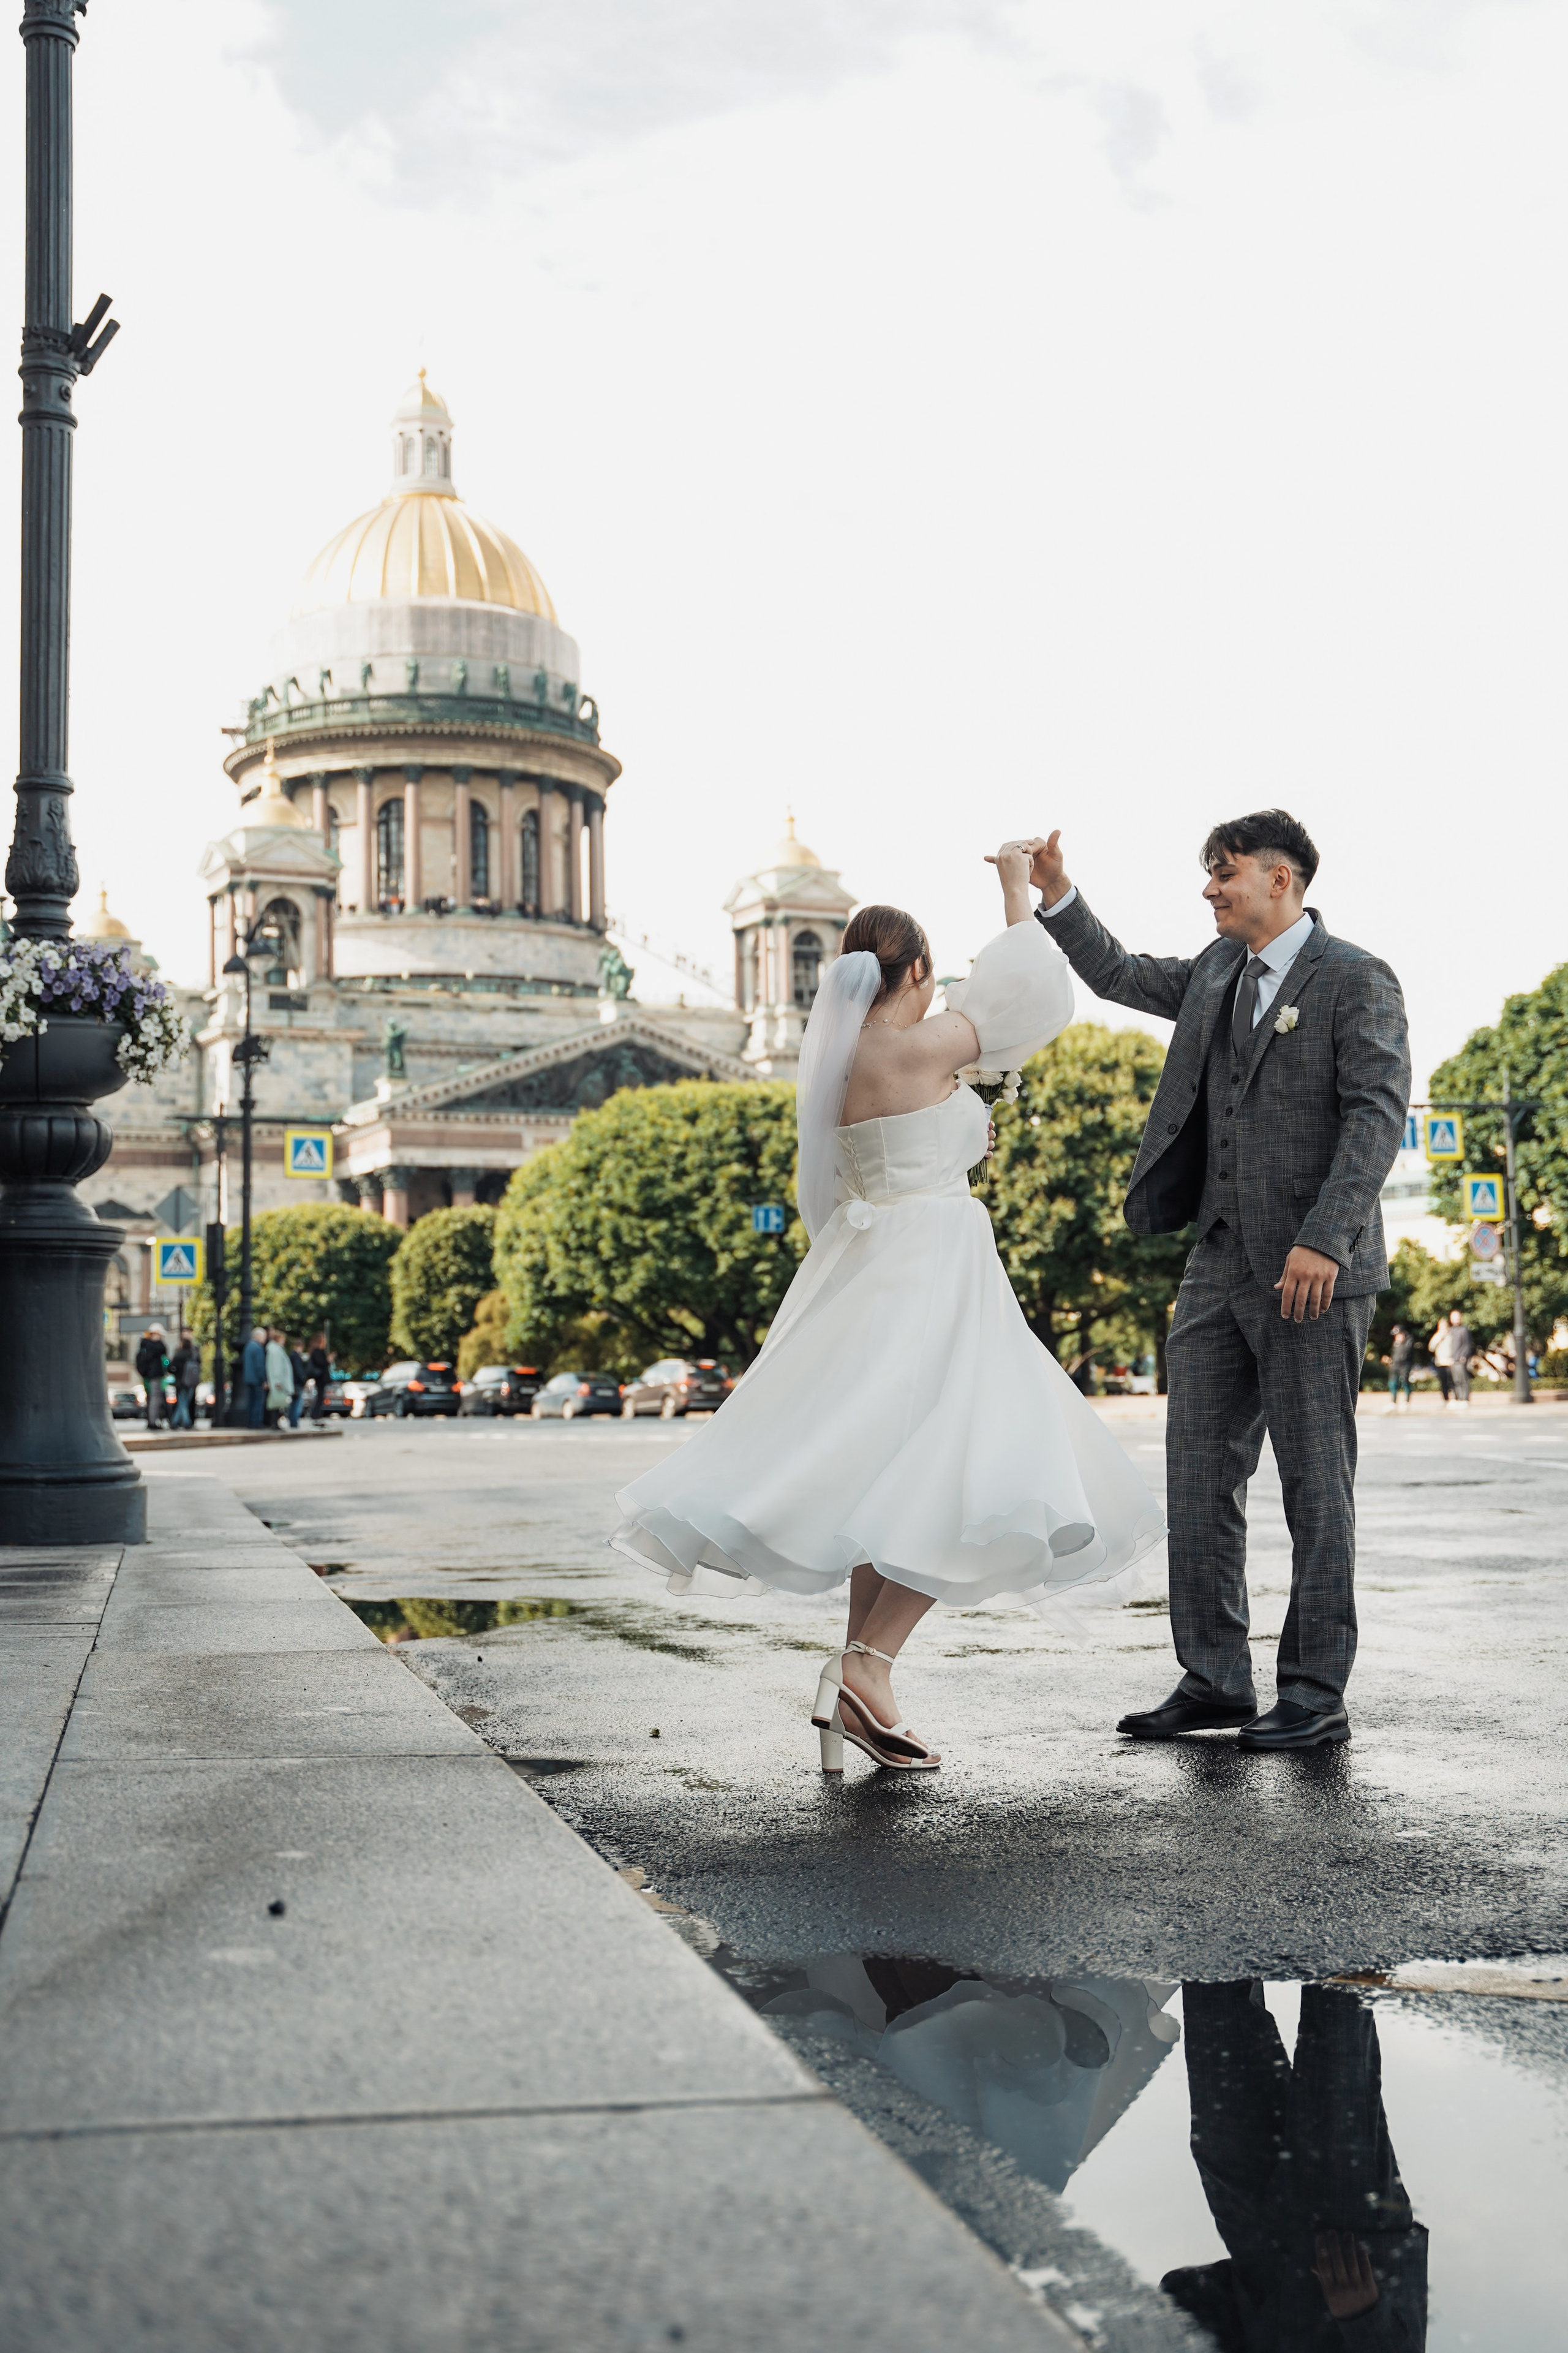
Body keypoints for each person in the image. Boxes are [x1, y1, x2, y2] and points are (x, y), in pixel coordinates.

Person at [612, 840, 1166, 1772]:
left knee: (893, 1474)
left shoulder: (836, 1065)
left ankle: (863, 1677)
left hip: (868, 1262)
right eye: (930, 974)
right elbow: (1030, 991)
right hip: (938, 1263)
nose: (935, 987)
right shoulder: (921, 1042)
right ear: (910, 971)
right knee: (971, 1464)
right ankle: (866, 1665)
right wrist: (1013, 888)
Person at [1030, 810, 1409, 1753]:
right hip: (1217, 1259)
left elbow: (1376, 1113)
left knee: (1316, 1483)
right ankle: (1214, 1679)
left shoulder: (1356, 977)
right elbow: (1118, 972)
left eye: (1224, 873)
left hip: (1312, 1270)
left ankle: (1316, 1693)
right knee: (1199, 1475)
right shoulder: (1213, 973)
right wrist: (1057, 898)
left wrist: (1326, 1237)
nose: (1209, 889)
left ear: (1281, 880)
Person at [1164, 1979, 1428, 2350]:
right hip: (1350, 2246)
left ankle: (1215, 1922)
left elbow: (1185, 2290)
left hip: (1259, 2247)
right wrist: (1364, 2318)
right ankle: (1342, 1925)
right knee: (1337, 2028)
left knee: (1217, 2025)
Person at [1431, 1309, 1472, 1408]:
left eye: (1457, 1317)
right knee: (1456, 1381)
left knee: (1463, 1379)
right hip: (1452, 1359)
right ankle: (1459, 1398)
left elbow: (1467, 1345)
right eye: (1454, 1318)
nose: (1456, 1320)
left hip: (1460, 1359)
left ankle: (1465, 1399)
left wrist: (1464, 1356)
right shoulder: (1451, 1331)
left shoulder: (1464, 1329)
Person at [135, 1326, 169, 1430]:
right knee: (155, 1398)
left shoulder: (145, 1346)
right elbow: (164, 1349)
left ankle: (152, 1420)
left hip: (148, 1376)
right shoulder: (154, 1347)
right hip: (154, 1375)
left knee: (153, 1398)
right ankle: (153, 1421)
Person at [170, 1330, 201, 1429]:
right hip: (192, 1382)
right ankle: (179, 1422)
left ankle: (181, 1422)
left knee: (182, 1402)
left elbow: (171, 1367)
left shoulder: (178, 1354)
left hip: (181, 1381)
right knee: (185, 1402)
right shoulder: (194, 1354)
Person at [263, 1328, 294, 1427]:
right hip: (278, 1381)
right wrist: (277, 1381)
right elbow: (276, 1368)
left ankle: (274, 1423)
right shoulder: (275, 1351)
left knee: (277, 1403)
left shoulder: (275, 1350)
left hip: (277, 1380)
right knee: (276, 1403)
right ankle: (274, 1424)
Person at [1382, 1323, 1415, 1414]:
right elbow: (1395, 1355)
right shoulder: (1395, 1343)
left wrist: (1402, 1342)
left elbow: (1406, 1355)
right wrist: (1390, 1361)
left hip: (1405, 1365)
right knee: (1393, 1383)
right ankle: (1393, 1402)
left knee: (1405, 1382)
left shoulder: (1409, 1341)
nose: (1396, 1336)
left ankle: (1407, 1402)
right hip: (1395, 1366)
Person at [241, 1324, 267, 1429]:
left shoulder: (248, 1347)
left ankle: (250, 1422)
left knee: (250, 1402)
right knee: (258, 1402)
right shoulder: (258, 1348)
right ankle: (256, 1422)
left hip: (248, 1378)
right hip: (257, 1380)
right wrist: (264, 1380)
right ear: (259, 1336)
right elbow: (259, 1366)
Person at [307, 1331, 332, 1422]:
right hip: (320, 1377)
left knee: (321, 1397)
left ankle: (318, 1414)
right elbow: (321, 1363)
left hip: (322, 1377)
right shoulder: (317, 1352)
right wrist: (328, 1360)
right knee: (320, 1397)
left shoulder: (319, 1352)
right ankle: (316, 1414)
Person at [286, 1339, 311, 1428]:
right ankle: (294, 1422)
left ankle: (292, 1421)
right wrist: (303, 1381)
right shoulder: (296, 1357)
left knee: (294, 1403)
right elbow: (299, 1371)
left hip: (293, 1382)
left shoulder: (291, 1356)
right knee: (297, 1404)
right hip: (297, 1383)